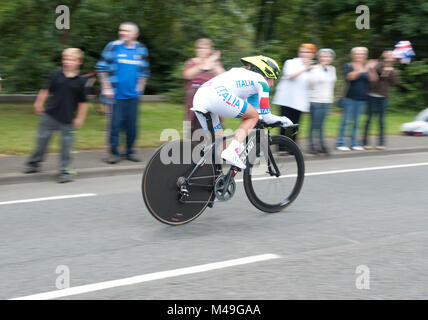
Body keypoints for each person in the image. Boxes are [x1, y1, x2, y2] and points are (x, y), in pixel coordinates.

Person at [191, 56, 293, 169]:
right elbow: (266, 117)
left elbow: (254, 112)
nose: (273, 84)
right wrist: (283, 120)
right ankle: (232, 151)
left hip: (200, 97)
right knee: (252, 116)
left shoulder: (240, 74)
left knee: (218, 142)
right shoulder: (261, 82)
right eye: (274, 79)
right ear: (267, 74)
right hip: (217, 96)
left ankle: (209, 176)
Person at [24, 48, 88, 183]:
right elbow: (46, 89)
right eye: (65, 59)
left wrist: (80, 118)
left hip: (68, 119)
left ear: (79, 62)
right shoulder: (56, 74)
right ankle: (33, 164)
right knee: (41, 143)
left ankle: (65, 172)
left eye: (71, 59)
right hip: (50, 116)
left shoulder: (80, 81)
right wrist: (39, 103)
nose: (67, 62)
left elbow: (83, 103)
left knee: (66, 148)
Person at [95, 22, 150, 164]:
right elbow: (101, 68)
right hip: (115, 96)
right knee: (115, 126)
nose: (122, 32)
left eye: (126, 30)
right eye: (121, 30)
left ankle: (130, 152)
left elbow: (144, 71)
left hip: (133, 96)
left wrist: (140, 88)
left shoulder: (141, 49)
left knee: (132, 126)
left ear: (135, 34)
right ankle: (114, 153)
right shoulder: (113, 46)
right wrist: (106, 87)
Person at [273, 43, 317, 144]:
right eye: (302, 51)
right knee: (284, 123)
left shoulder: (312, 67)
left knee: (295, 124)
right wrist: (305, 68)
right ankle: (282, 147)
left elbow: (312, 84)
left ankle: (292, 146)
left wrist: (310, 70)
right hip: (287, 99)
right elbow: (290, 75)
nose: (304, 54)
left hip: (299, 101)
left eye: (307, 52)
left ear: (312, 54)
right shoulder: (291, 62)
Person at [336, 47, 378, 151]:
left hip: (362, 99)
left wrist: (371, 68)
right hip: (349, 98)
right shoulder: (348, 65)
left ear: (366, 55)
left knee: (357, 122)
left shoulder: (367, 67)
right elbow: (350, 76)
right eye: (358, 54)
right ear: (353, 55)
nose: (360, 56)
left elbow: (374, 79)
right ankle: (340, 143)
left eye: (362, 54)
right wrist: (366, 68)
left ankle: (354, 143)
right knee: (346, 121)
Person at [182, 38, 225, 140]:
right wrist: (203, 63)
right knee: (194, 137)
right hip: (195, 106)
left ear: (210, 50)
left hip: (214, 106)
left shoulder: (216, 64)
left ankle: (215, 154)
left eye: (205, 48)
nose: (202, 50)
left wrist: (213, 63)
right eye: (200, 48)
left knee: (215, 136)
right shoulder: (191, 62)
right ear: (196, 50)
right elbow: (187, 75)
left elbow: (224, 76)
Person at [363, 49, 399, 150]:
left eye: (391, 54)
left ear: (394, 57)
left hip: (383, 97)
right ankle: (365, 142)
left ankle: (381, 143)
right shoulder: (378, 64)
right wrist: (386, 70)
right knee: (369, 120)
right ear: (383, 55)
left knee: (381, 121)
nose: (389, 55)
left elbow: (395, 83)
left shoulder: (393, 69)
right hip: (372, 95)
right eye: (387, 53)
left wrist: (391, 71)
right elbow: (377, 76)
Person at [308, 48, 337, 155]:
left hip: (327, 101)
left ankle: (320, 145)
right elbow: (311, 84)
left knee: (321, 124)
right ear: (319, 58)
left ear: (331, 58)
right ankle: (313, 145)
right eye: (324, 56)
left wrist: (331, 100)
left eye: (328, 56)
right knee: (315, 124)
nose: (326, 58)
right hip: (315, 100)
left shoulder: (332, 69)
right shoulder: (314, 69)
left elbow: (331, 85)